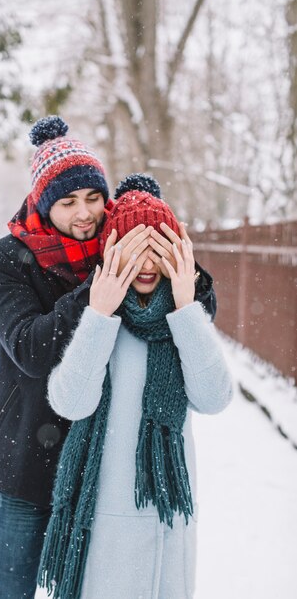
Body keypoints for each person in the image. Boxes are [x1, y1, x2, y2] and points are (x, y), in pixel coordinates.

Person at [0, 115, 217, 598]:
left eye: (93, 198)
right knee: (9, 592)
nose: (84, 214)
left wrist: (188, 282)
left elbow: (192, 299)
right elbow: (31, 349)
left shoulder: (120, 238)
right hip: (25, 466)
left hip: (97, 473)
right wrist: (98, 289)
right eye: (67, 202)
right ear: (43, 203)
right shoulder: (4, 260)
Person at [38, 175, 233, 599]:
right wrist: (99, 313)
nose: (146, 265)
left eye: (157, 251)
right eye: (134, 252)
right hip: (103, 521)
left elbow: (215, 398)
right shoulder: (100, 317)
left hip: (167, 518)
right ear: (112, 256)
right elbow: (70, 402)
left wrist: (186, 306)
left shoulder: (184, 321)